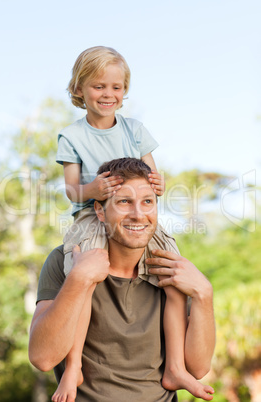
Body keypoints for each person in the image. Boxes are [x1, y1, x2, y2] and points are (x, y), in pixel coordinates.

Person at [54, 46, 213, 401]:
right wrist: (92, 189)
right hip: (92, 217)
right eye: (98, 87)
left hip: (135, 218)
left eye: (115, 87)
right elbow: (71, 189)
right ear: (79, 89)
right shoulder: (72, 136)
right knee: (86, 278)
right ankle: (74, 366)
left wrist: (158, 183)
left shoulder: (135, 129)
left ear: (124, 91)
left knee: (172, 277)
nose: (108, 95)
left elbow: (154, 178)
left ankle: (174, 367)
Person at [29, 158, 215, 402]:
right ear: (100, 211)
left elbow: (199, 368)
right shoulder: (64, 261)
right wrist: (79, 278)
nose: (138, 215)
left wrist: (204, 293)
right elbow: (43, 358)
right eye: (124, 202)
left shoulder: (170, 269)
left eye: (147, 202)